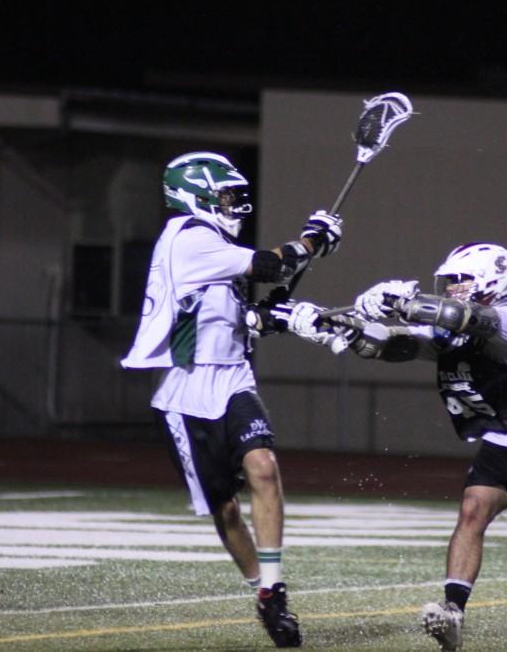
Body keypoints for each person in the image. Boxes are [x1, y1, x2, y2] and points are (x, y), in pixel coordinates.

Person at [286, 242, 507, 651]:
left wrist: (400, 302)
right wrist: (339, 329)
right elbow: (394, 345)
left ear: (493, 278)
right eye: (451, 280)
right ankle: (452, 610)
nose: (453, 288)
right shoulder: (459, 329)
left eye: (462, 279)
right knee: (473, 510)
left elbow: (459, 316)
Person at [121, 151, 342, 648]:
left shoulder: (215, 243)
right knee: (225, 511)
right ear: (195, 197)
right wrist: (312, 239)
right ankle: (259, 589)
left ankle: (273, 589)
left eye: (238, 197)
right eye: (226, 197)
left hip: (234, 379)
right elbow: (270, 263)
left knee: (263, 466)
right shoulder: (189, 238)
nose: (236, 206)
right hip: (185, 390)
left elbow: (251, 308)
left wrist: (281, 314)